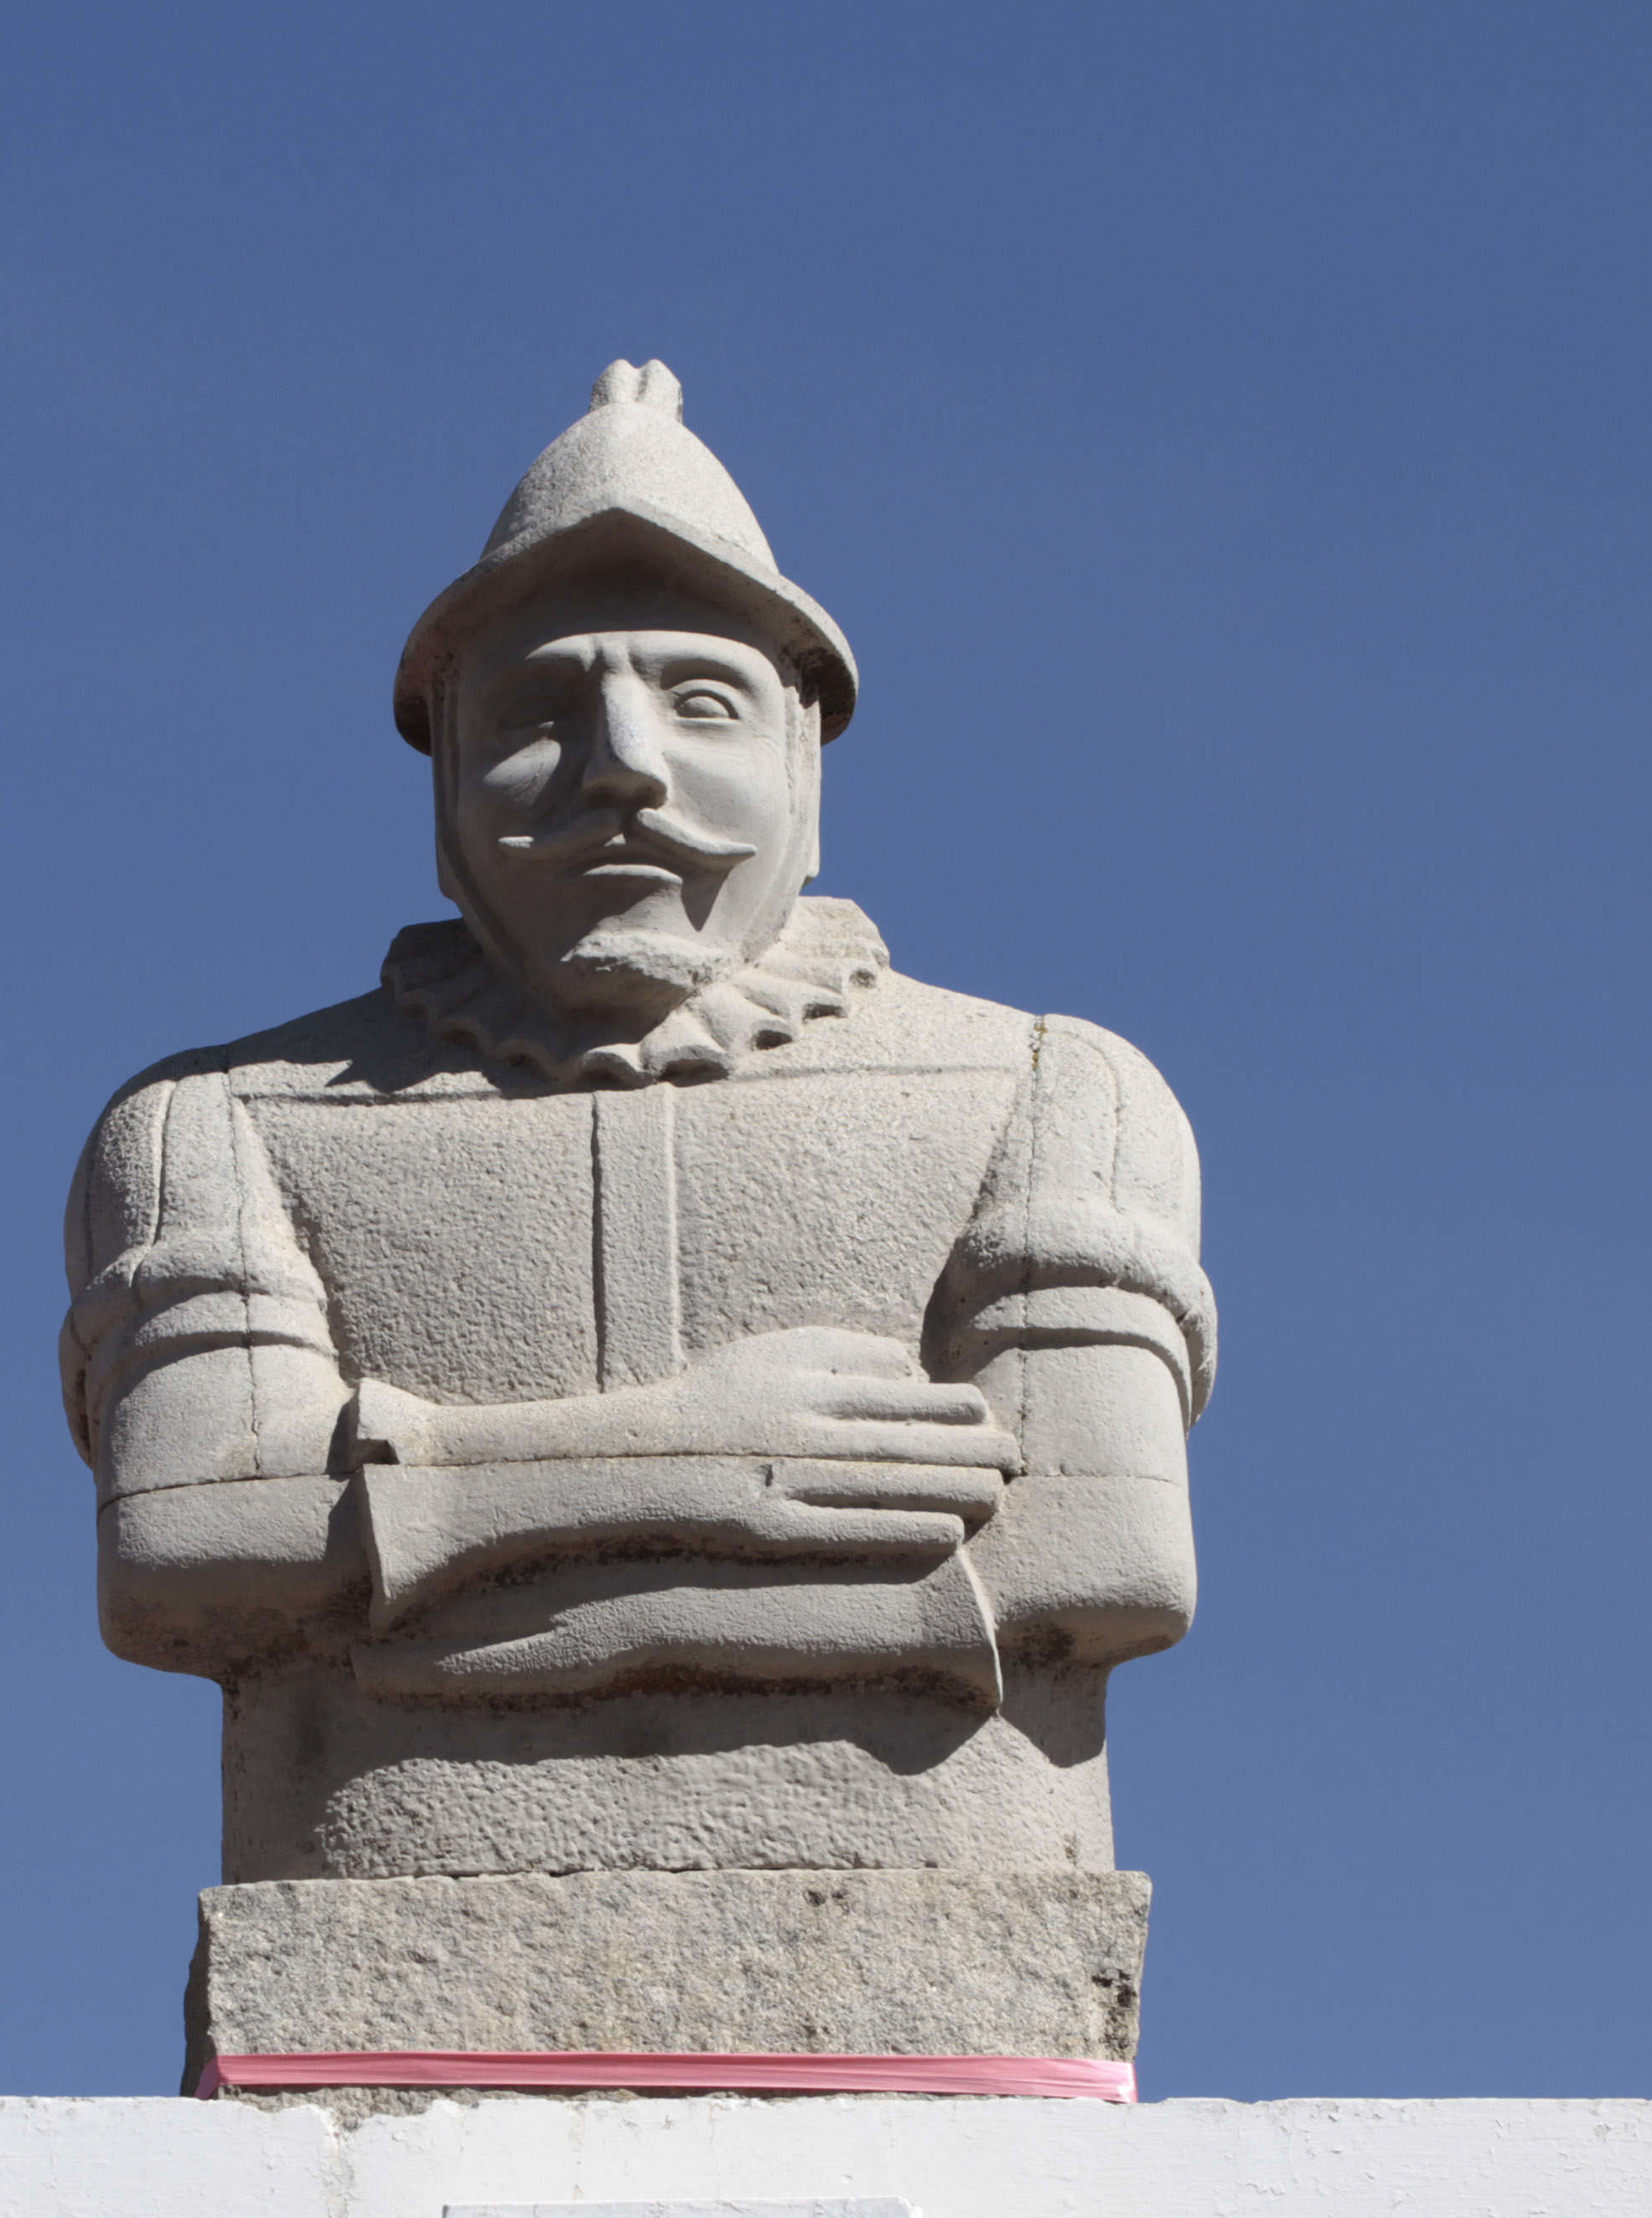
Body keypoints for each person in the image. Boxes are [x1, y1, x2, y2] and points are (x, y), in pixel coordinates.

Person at [64, 363, 1210, 1886]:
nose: (622, 765)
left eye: (700, 700)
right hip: (386, 1891)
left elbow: (1096, 1557)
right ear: (447, 771)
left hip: (948, 1888)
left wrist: (432, 1562)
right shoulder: (210, 1125)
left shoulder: (1056, 1088)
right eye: (539, 708)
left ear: (802, 757)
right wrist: (709, 1458)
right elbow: (187, 1543)